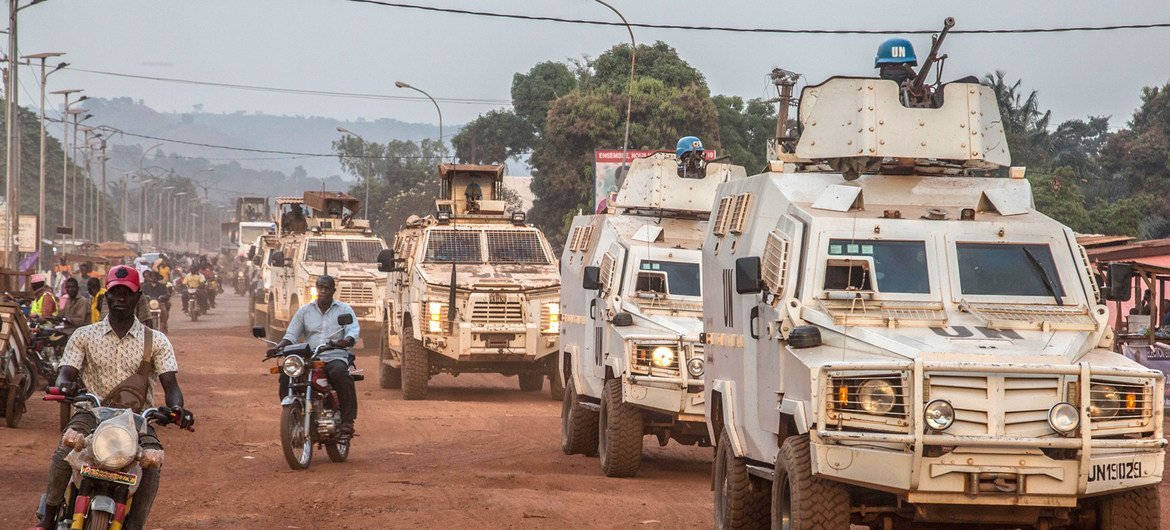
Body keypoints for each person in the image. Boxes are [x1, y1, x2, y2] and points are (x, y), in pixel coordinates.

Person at [34, 265, 194, 529]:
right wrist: (65, 386)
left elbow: (171, 385)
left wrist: (176, 408)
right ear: (106, 295)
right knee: (65, 448)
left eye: (126, 293)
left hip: (138, 421)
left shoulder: (157, 341)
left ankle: (135, 525)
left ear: (138, 296)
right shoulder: (84, 336)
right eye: (115, 292)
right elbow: (65, 373)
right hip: (90, 413)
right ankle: (48, 518)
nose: (120, 298)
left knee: (153, 463)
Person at [266, 275, 360, 437]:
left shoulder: (344, 310)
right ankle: (292, 413)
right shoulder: (305, 310)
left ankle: (347, 420)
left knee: (340, 374)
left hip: (334, 355)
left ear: (333, 291)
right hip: (311, 357)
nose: (323, 291)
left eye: (327, 288)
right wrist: (279, 347)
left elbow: (353, 331)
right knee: (286, 374)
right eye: (320, 288)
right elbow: (291, 335)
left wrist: (346, 341)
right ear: (316, 289)